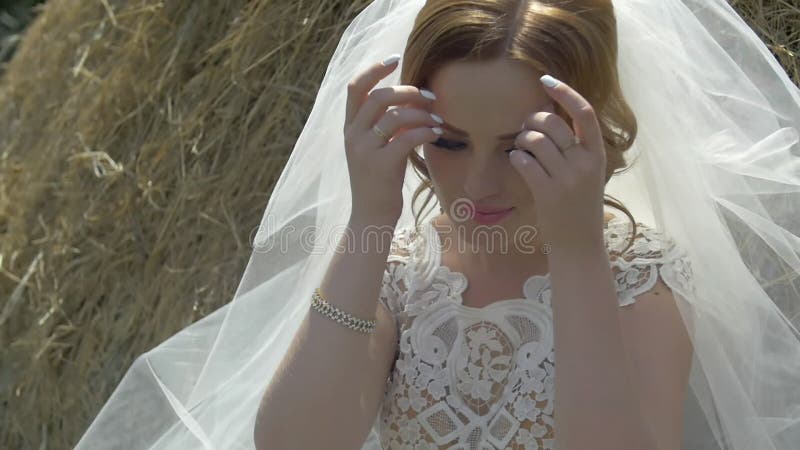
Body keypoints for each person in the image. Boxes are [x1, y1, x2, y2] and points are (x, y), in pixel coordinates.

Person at [76, 1, 800, 449]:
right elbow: (297, 443)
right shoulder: (399, 265)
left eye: (521, 148)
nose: (477, 185)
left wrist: (577, 252)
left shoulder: (637, 279)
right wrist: (369, 217)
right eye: (448, 143)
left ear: (587, 132)